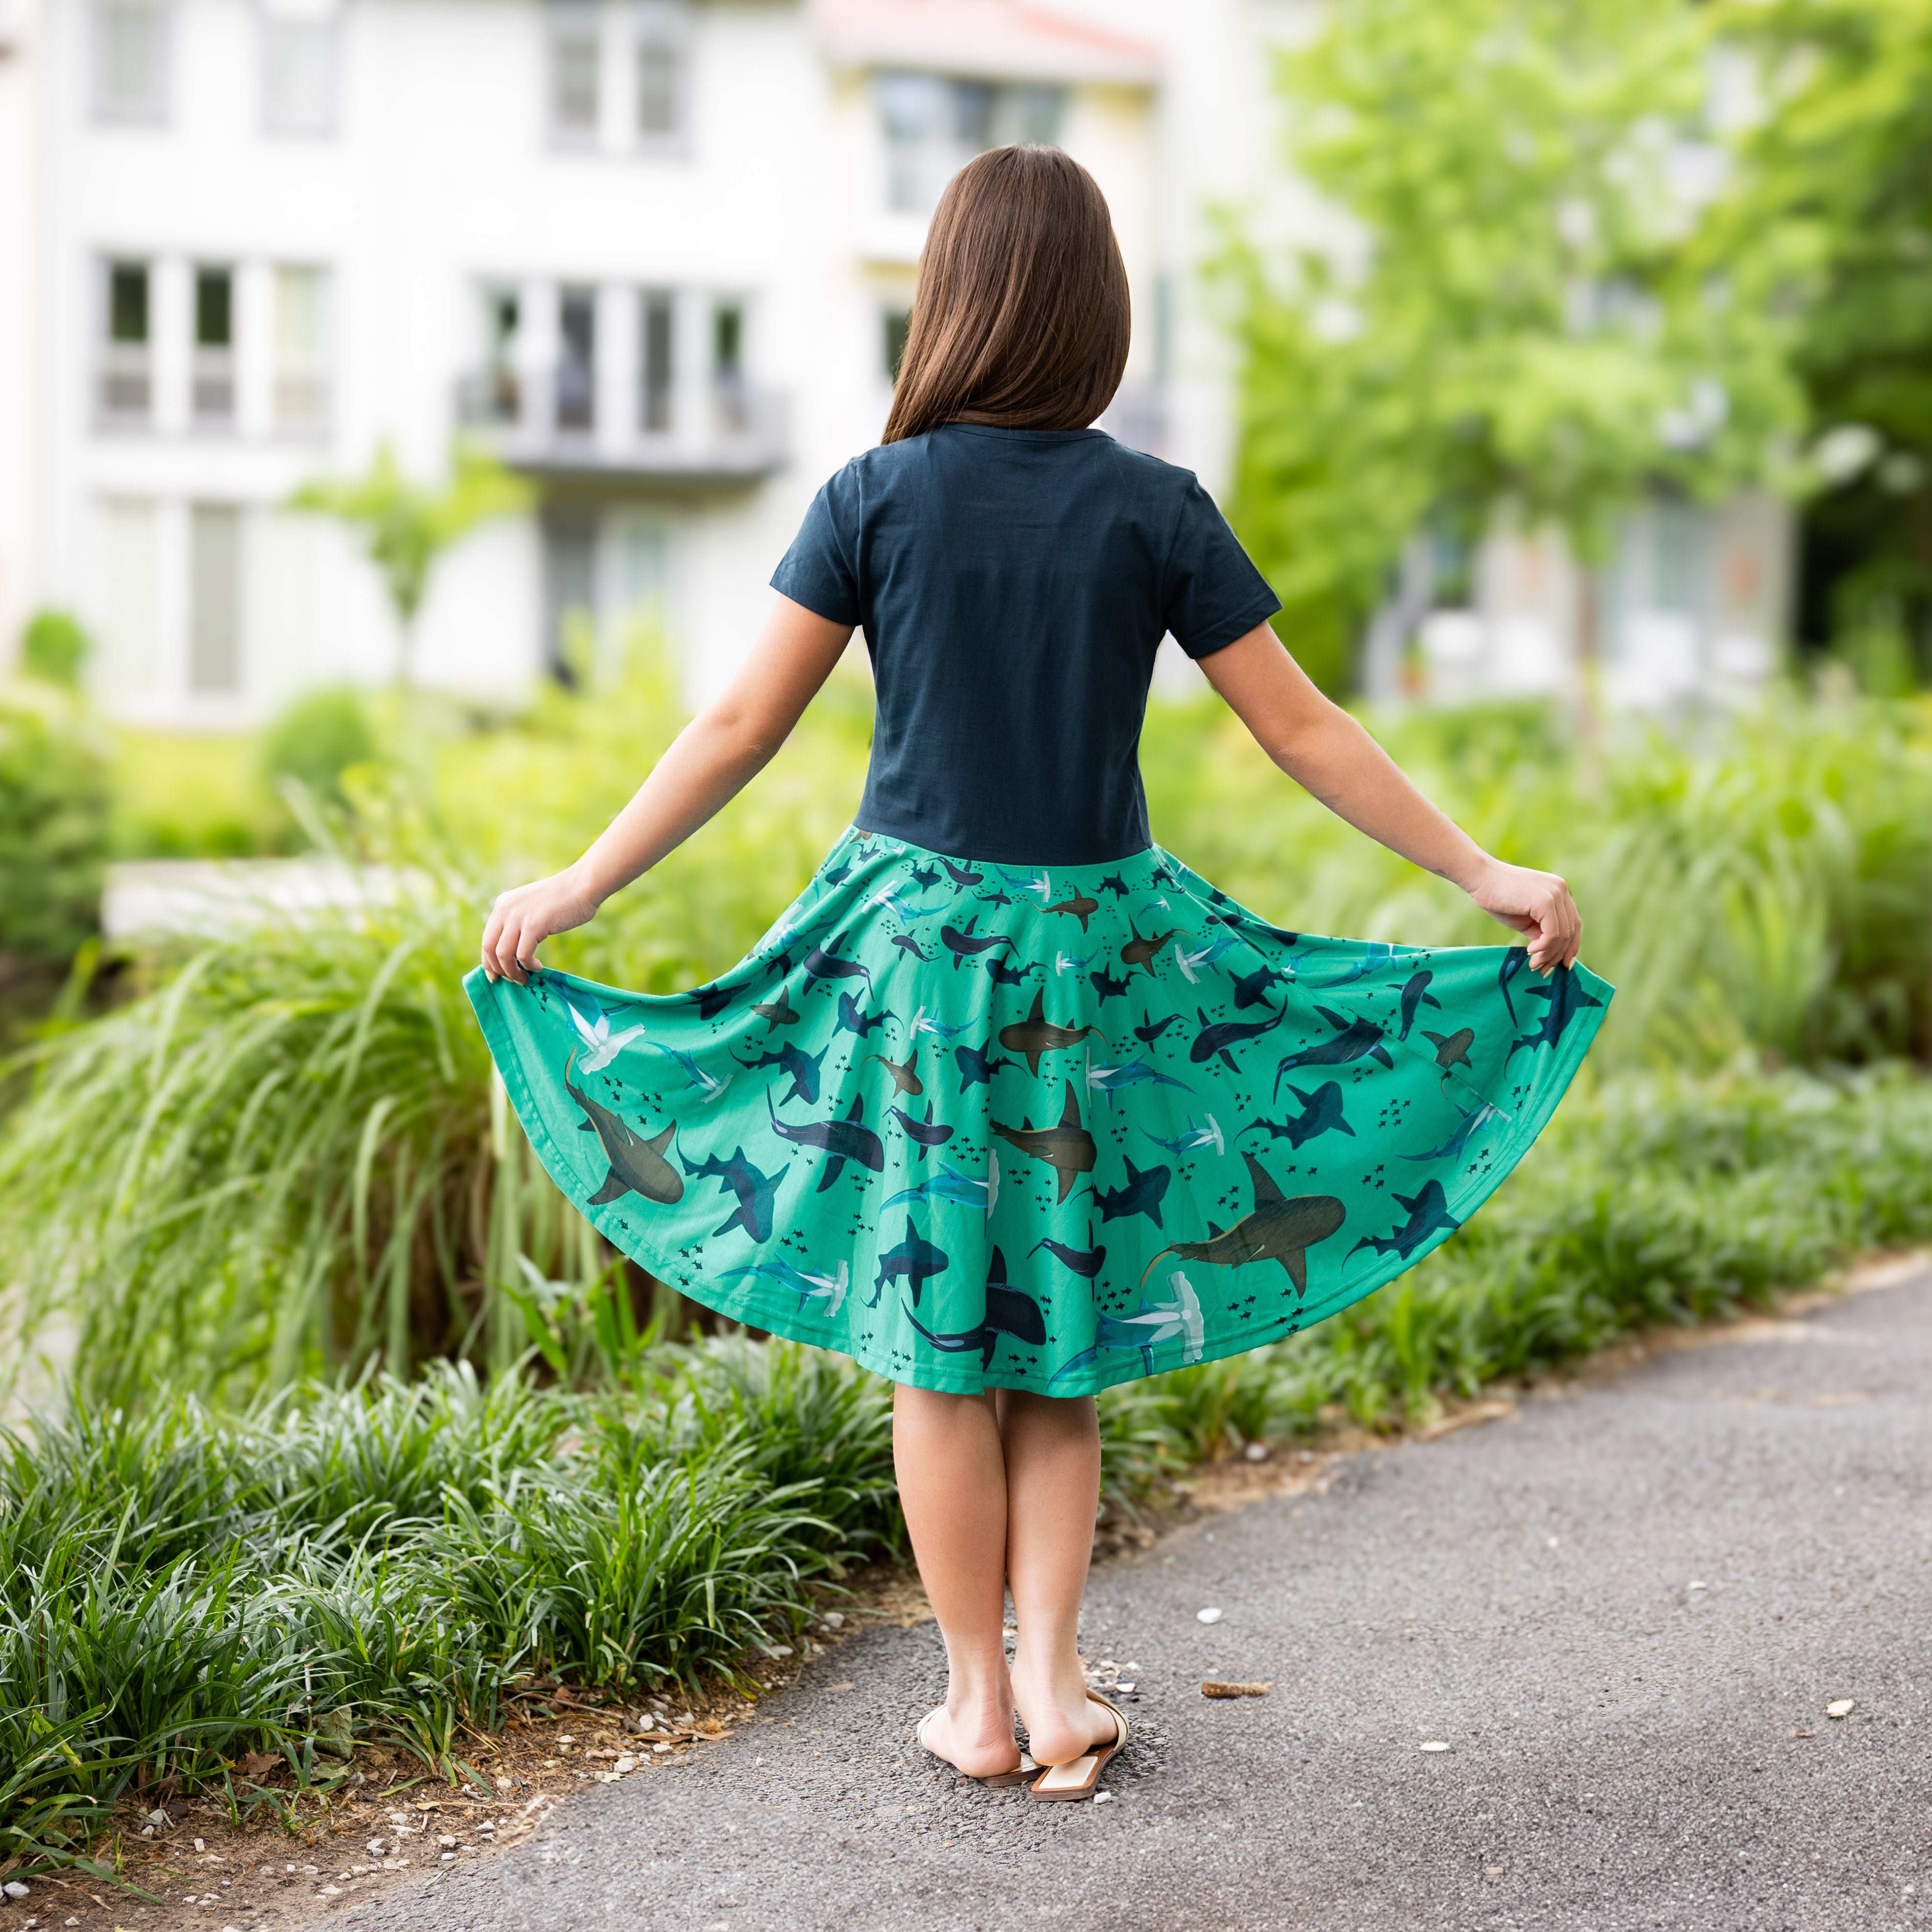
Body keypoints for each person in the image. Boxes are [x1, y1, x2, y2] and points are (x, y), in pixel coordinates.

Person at [469, 146, 1608, 1801]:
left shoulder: (876, 497)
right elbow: (1302, 729)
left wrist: (577, 884)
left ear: (951, 299)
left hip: (922, 964)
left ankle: (974, 1705)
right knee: (1055, 1332)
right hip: (1096, 964)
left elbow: (740, 724)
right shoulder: (1154, 507)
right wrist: (1483, 873)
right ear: (1096, 312)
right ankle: (1059, 1688)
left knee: (944, 1347)